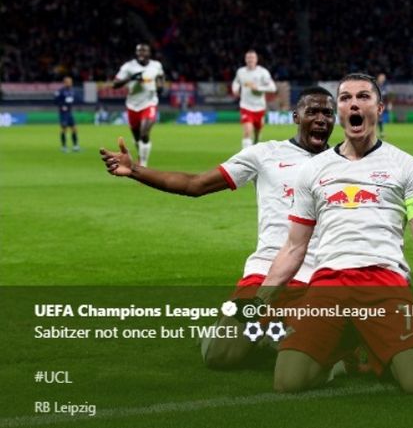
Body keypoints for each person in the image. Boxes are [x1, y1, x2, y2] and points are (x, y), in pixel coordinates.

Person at [258, 73, 413, 395]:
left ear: (380, 107)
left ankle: (371, 344)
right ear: (340, 110)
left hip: (384, 283)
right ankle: (348, 346)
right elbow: (294, 247)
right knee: (287, 381)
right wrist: (260, 299)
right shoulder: (312, 170)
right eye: (346, 98)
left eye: (363, 97)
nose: (354, 103)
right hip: (328, 284)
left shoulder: (407, 166)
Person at [100, 87, 337, 368]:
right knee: (219, 356)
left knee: (331, 356)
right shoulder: (266, 154)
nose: (321, 119)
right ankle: (247, 330)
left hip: (321, 280)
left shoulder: (346, 164)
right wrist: (135, 170)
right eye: (313, 112)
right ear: (296, 116)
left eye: (328, 113)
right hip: (267, 274)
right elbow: (195, 185)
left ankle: (277, 333)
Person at [113, 44, 165, 167]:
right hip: (133, 105)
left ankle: (143, 165)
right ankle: (141, 155)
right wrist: (131, 78)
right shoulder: (128, 67)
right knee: (137, 138)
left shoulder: (156, 65)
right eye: (139, 51)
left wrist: (160, 85)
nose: (141, 53)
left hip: (150, 103)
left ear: (149, 53)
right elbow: (115, 84)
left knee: (144, 134)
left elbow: (161, 76)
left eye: (144, 51)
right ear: (136, 53)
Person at [232, 50, 277, 149]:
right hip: (246, 106)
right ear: (245, 59)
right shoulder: (241, 71)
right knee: (247, 130)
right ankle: (245, 155)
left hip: (259, 107)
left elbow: (273, 88)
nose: (250, 60)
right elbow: (236, 81)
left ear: (256, 59)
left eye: (252, 58)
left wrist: (258, 88)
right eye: (248, 58)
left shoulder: (263, 72)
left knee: (257, 132)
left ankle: (256, 143)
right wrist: (235, 89)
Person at [54, 76, 79, 152]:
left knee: (74, 129)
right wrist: (62, 106)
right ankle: (64, 147)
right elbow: (55, 101)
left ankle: (75, 146)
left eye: (71, 82)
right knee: (64, 129)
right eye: (69, 82)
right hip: (63, 113)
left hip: (70, 112)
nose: (71, 83)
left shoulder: (72, 91)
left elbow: (74, 99)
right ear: (65, 83)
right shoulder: (60, 91)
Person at [376, 73, 391, 138]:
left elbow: (386, 97)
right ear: (378, 78)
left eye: (383, 78)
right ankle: (374, 133)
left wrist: (389, 104)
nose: (383, 79)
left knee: (379, 119)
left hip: (380, 105)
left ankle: (381, 132)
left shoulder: (384, 87)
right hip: (374, 104)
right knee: (374, 119)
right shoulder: (375, 86)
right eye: (382, 77)